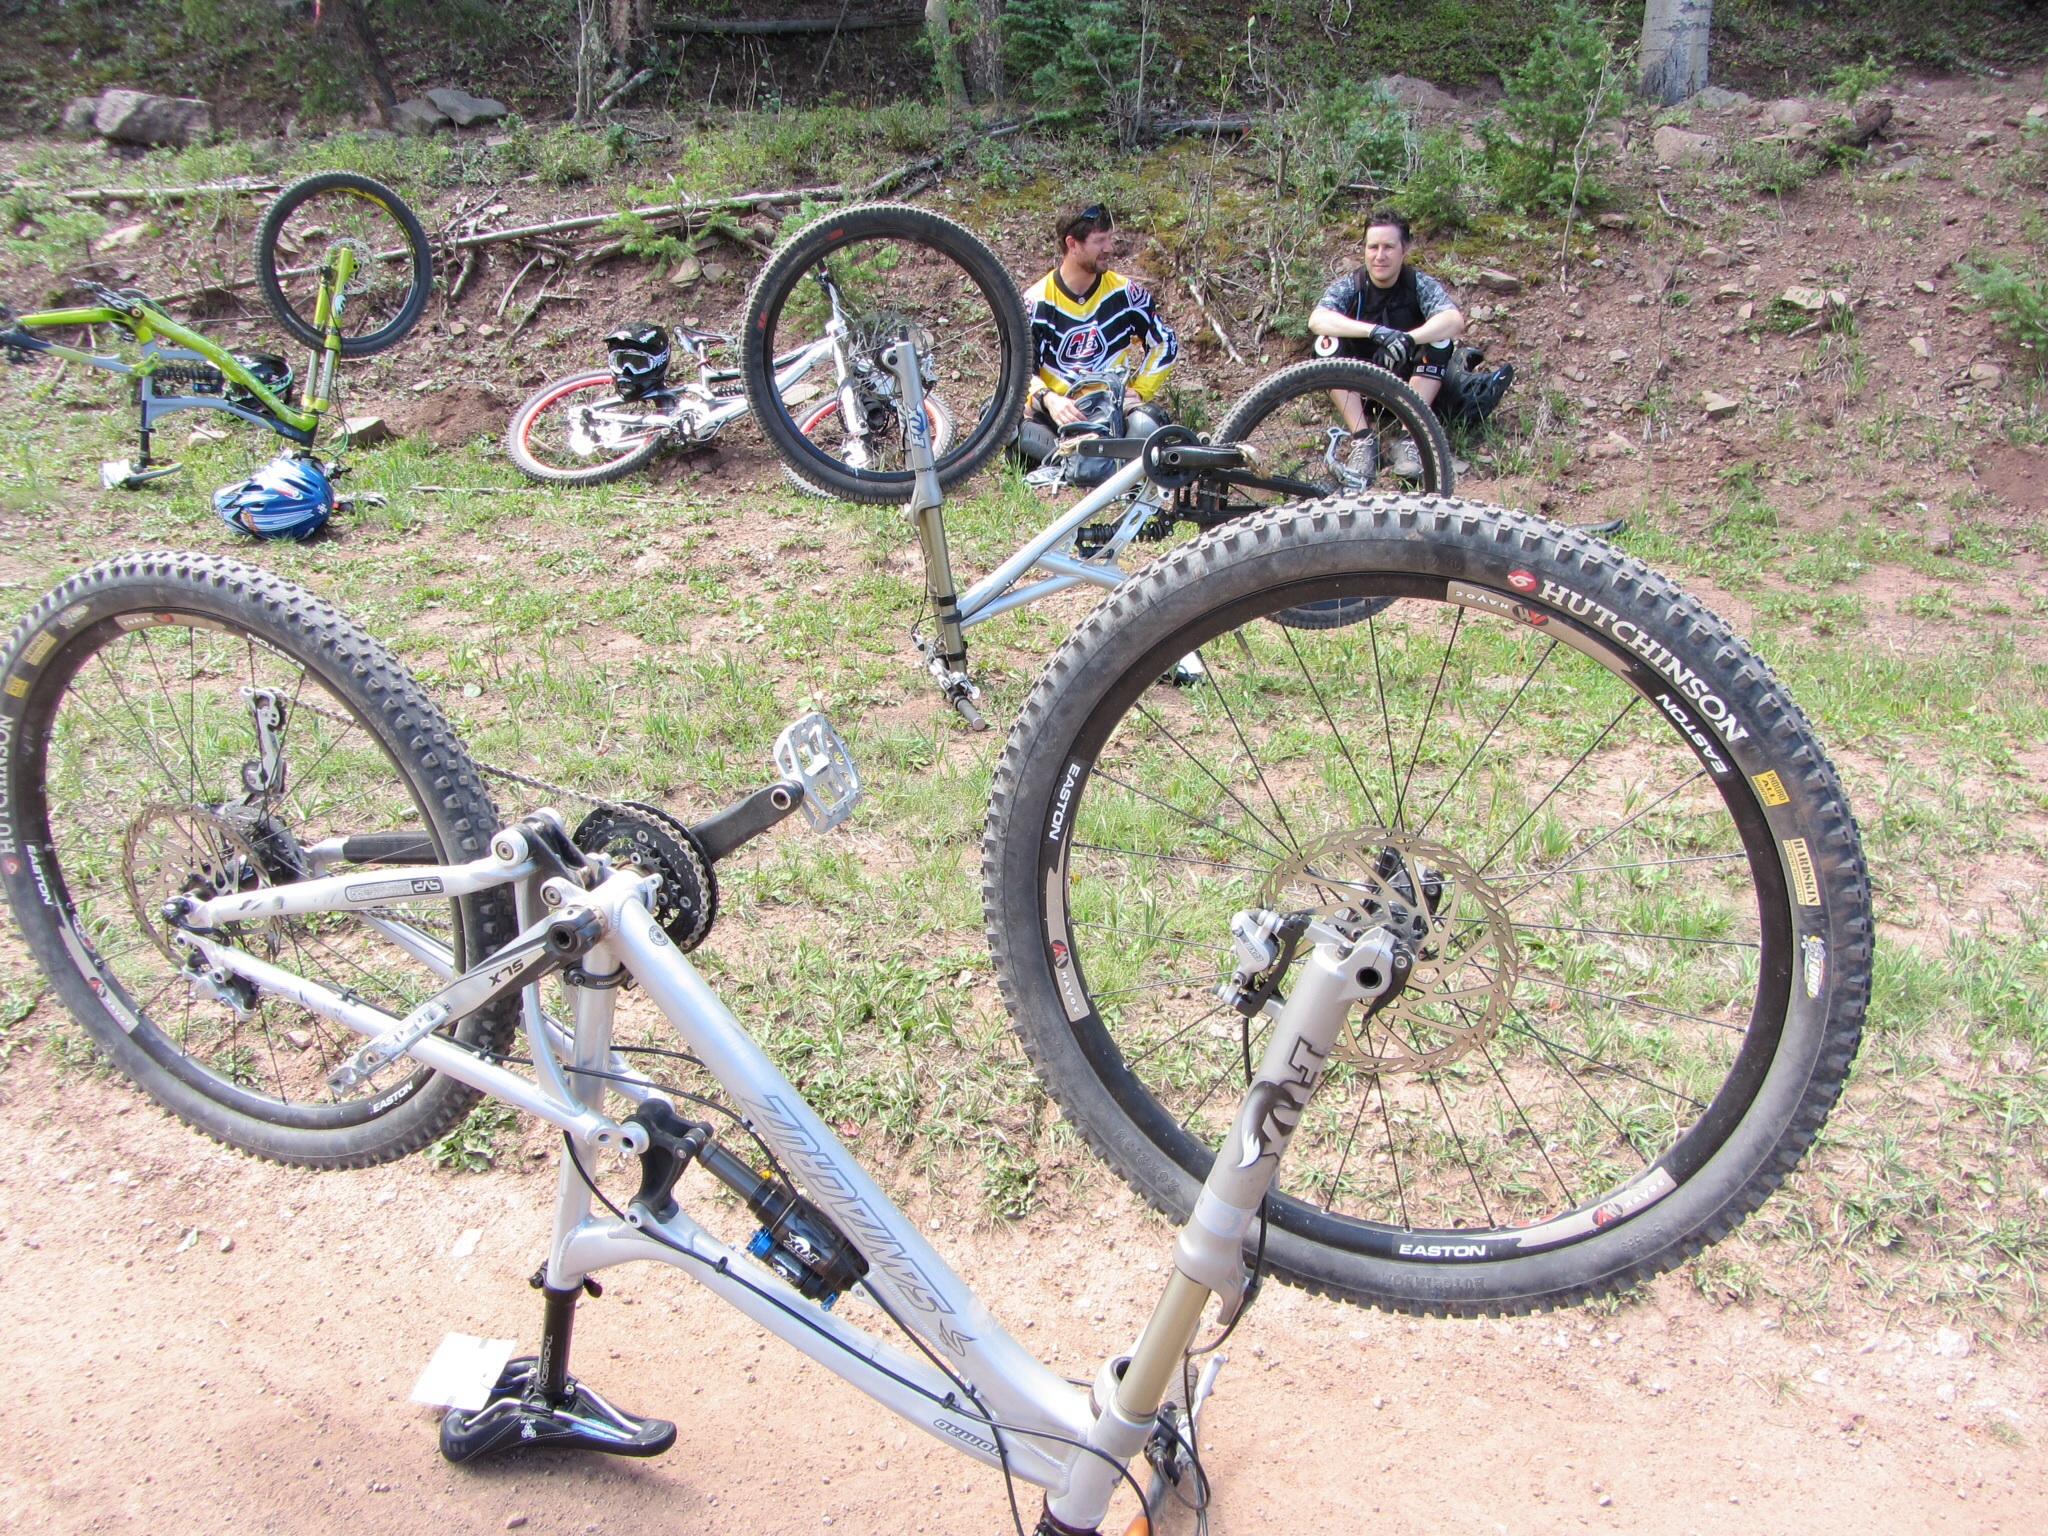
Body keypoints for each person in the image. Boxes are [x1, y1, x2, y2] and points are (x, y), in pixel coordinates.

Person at [1017, 203, 1180, 469]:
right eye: (1099, 241)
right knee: (1001, 417)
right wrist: (1049, 399)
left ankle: (1094, 467)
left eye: (1109, 238)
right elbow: (1020, 371)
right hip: (1057, 415)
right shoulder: (1036, 301)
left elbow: (1165, 344)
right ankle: (1070, 463)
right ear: (1073, 244)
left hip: (1112, 413)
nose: (1109, 248)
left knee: (1148, 422)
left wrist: (1139, 391)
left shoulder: (1126, 293)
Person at [1308, 209, 1465, 479]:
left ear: (1405, 249)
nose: (1380, 256)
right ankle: (1363, 440)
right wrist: (1375, 332)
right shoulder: (1352, 285)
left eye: (1389, 247)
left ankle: (1408, 440)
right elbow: (1318, 319)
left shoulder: (1418, 284)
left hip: (1410, 388)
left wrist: (1408, 339)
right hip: (1360, 386)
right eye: (1373, 247)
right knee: (1325, 342)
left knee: (1440, 341)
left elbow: (1453, 320)